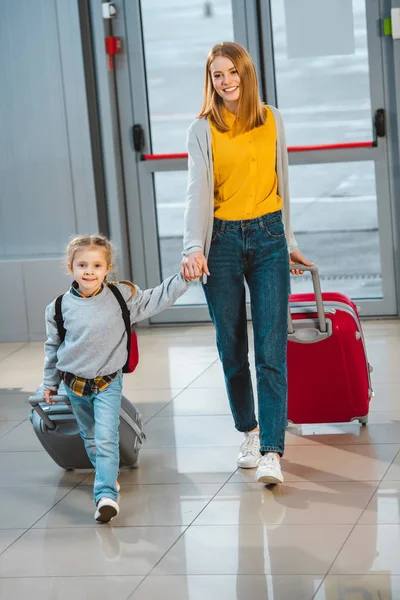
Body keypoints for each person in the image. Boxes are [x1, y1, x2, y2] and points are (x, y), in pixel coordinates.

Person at [181, 42, 312, 485]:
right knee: (232, 345)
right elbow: (197, 193)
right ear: (211, 80)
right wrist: (191, 248)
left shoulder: (271, 119)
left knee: (272, 347)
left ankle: (273, 449)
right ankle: (250, 432)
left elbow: (284, 182)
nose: (226, 81)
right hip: (219, 241)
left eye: (232, 72)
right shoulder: (201, 130)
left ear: (246, 74)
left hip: (269, 236)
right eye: (218, 75)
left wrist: (290, 239)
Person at [43, 234, 189, 522]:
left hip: (108, 382)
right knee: (91, 438)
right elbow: (53, 347)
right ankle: (105, 475)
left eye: (96, 266)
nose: (89, 271)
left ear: (107, 269)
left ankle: (106, 495)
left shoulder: (121, 297)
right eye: (82, 265)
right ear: (70, 267)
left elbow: (157, 298)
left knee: (107, 438)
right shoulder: (58, 308)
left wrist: (183, 278)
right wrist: (49, 383)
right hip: (75, 384)